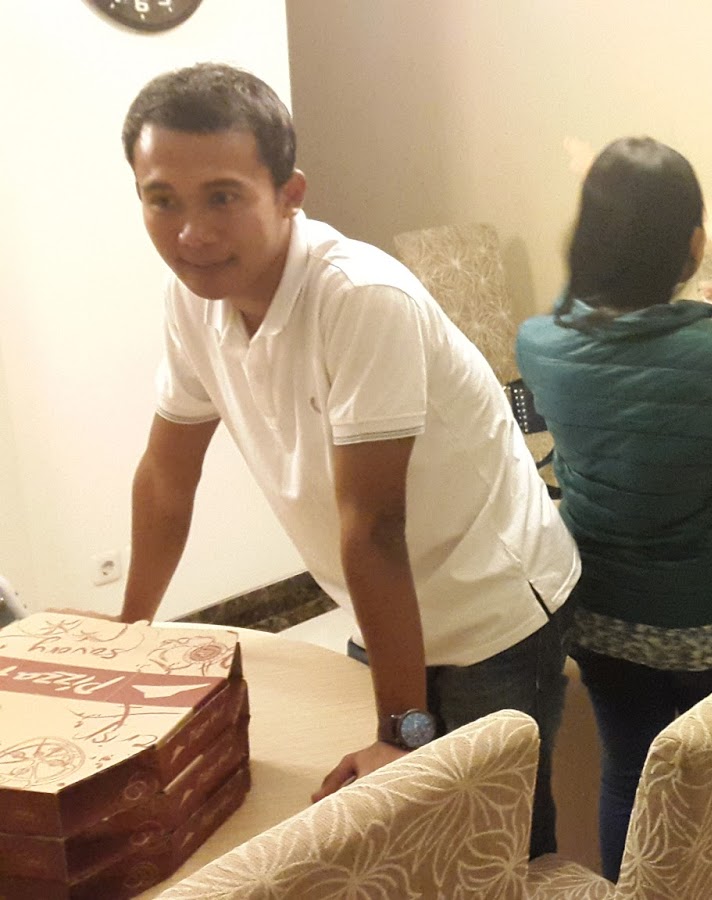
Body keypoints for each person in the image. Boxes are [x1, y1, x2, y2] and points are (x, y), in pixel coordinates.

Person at [117, 63, 581, 856]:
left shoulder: (360, 296)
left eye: (222, 197)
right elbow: (167, 477)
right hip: (384, 601)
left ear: (288, 195)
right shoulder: (190, 298)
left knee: (493, 840)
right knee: (402, 829)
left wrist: (400, 732)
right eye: (162, 200)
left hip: (487, 604)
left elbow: (374, 524)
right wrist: (127, 636)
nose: (191, 233)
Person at [518, 137, 712, 880]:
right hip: (710, 618)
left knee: (629, 769)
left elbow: (596, 328)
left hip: (599, 608)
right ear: (692, 247)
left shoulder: (539, 342)